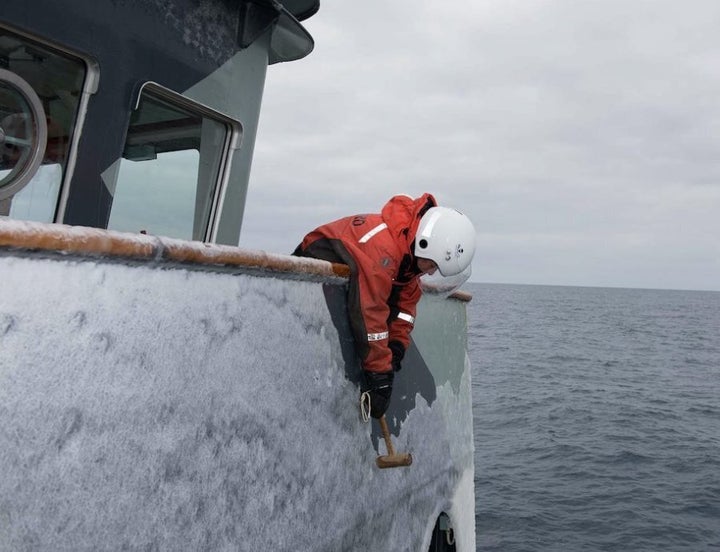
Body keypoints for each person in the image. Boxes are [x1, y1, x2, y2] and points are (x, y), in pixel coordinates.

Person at [293, 193, 476, 419]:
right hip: (311, 283)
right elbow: (369, 313)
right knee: (360, 358)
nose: (430, 272)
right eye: (432, 265)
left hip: (352, 295)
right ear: (426, 245)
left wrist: (397, 346)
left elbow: (405, 311)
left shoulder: (410, 257)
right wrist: (380, 375)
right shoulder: (384, 249)